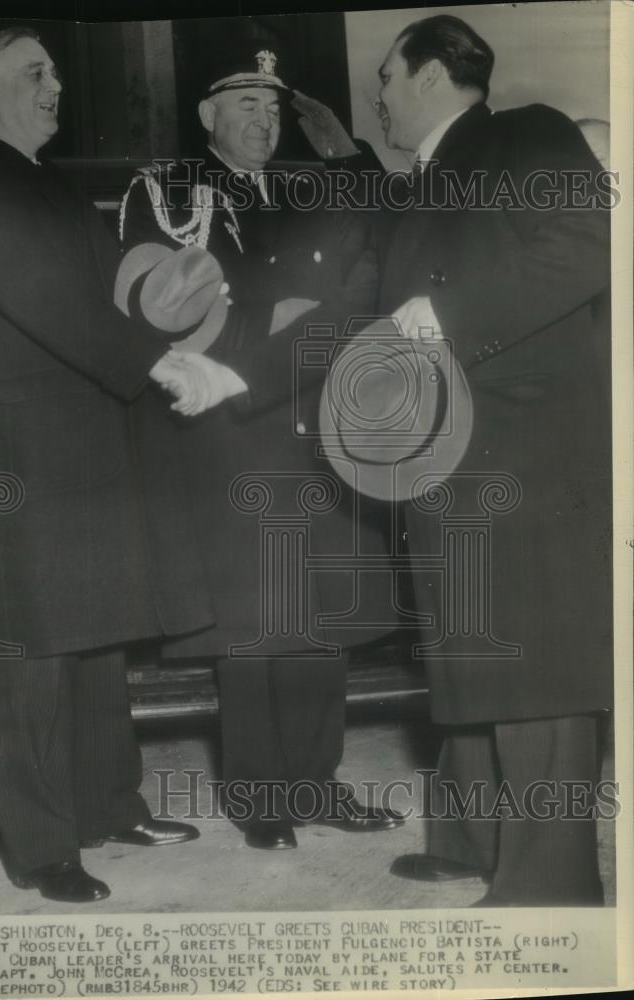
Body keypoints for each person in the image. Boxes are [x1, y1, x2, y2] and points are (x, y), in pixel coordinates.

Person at [300, 14, 613, 905]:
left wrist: (450, 316)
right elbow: (371, 311)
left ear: (433, 73)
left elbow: (585, 246)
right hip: (446, 461)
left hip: (529, 460)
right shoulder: (419, 184)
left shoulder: (528, 133)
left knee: (537, 669)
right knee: (469, 651)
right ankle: (471, 840)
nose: (380, 100)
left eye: (388, 81)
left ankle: (549, 889)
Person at [0, 27, 236, 903]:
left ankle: (110, 806)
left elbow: (98, 297)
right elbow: (44, 300)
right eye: (33, 73)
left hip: (81, 438)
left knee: (98, 636)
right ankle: (41, 848)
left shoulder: (33, 178)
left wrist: (181, 326)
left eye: (55, 74)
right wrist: (158, 362)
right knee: (36, 652)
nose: (54, 87)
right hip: (24, 447)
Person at [118, 48, 405, 850]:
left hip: (313, 414)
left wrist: (346, 156)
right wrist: (276, 322)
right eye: (243, 102)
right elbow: (160, 299)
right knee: (252, 622)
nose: (262, 118)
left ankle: (315, 783)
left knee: (318, 616)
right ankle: (260, 796)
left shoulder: (314, 183)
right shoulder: (168, 189)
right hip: (229, 427)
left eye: (272, 108)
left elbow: (381, 255)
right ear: (207, 116)